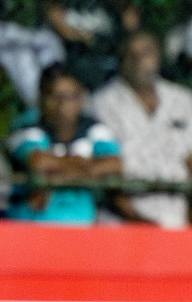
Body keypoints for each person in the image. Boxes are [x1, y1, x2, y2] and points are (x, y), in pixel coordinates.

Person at [91, 31, 192, 229]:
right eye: (132, 54)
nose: (140, 60)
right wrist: (142, 223)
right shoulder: (101, 103)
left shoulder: (181, 99)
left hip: (175, 214)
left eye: (147, 52)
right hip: (120, 220)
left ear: (158, 56)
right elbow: (105, 174)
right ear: (121, 59)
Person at [7, 64, 123, 226]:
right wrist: (85, 167)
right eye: (55, 97)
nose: (63, 105)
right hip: (33, 227)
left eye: (71, 97)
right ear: (41, 97)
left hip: (83, 228)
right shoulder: (28, 125)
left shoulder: (92, 128)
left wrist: (55, 174)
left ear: (81, 97)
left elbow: (115, 164)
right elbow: (39, 162)